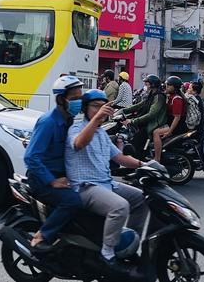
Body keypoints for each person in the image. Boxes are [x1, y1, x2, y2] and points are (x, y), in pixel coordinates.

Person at [65, 89, 147, 272]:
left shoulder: (101, 133)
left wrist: (146, 164)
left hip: (106, 183)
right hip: (85, 187)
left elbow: (119, 157)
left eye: (103, 107)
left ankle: (129, 248)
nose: (100, 110)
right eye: (95, 106)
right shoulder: (76, 128)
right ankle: (107, 253)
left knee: (142, 198)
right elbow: (79, 143)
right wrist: (96, 119)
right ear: (85, 108)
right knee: (120, 207)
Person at [24, 75, 85, 252]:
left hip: (62, 176)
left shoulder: (70, 121)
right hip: (42, 181)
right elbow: (31, 157)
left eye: (80, 98)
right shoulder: (49, 122)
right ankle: (41, 236)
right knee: (72, 201)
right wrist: (52, 181)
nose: (78, 103)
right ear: (61, 99)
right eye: (74, 99)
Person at [122, 75, 167, 156]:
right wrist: (123, 110)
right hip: (148, 122)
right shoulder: (151, 94)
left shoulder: (159, 96)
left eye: (147, 83)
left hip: (153, 124)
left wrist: (133, 121)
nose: (145, 84)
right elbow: (140, 105)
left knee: (136, 141)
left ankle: (140, 160)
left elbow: (151, 114)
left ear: (152, 84)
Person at [152, 76, 187, 162]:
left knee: (156, 133)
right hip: (170, 122)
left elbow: (177, 117)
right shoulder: (170, 96)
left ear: (174, 87)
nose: (166, 87)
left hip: (177, 126)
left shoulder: (177, 99)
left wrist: (169, 132)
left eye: (168, 85)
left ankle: (157, 159)